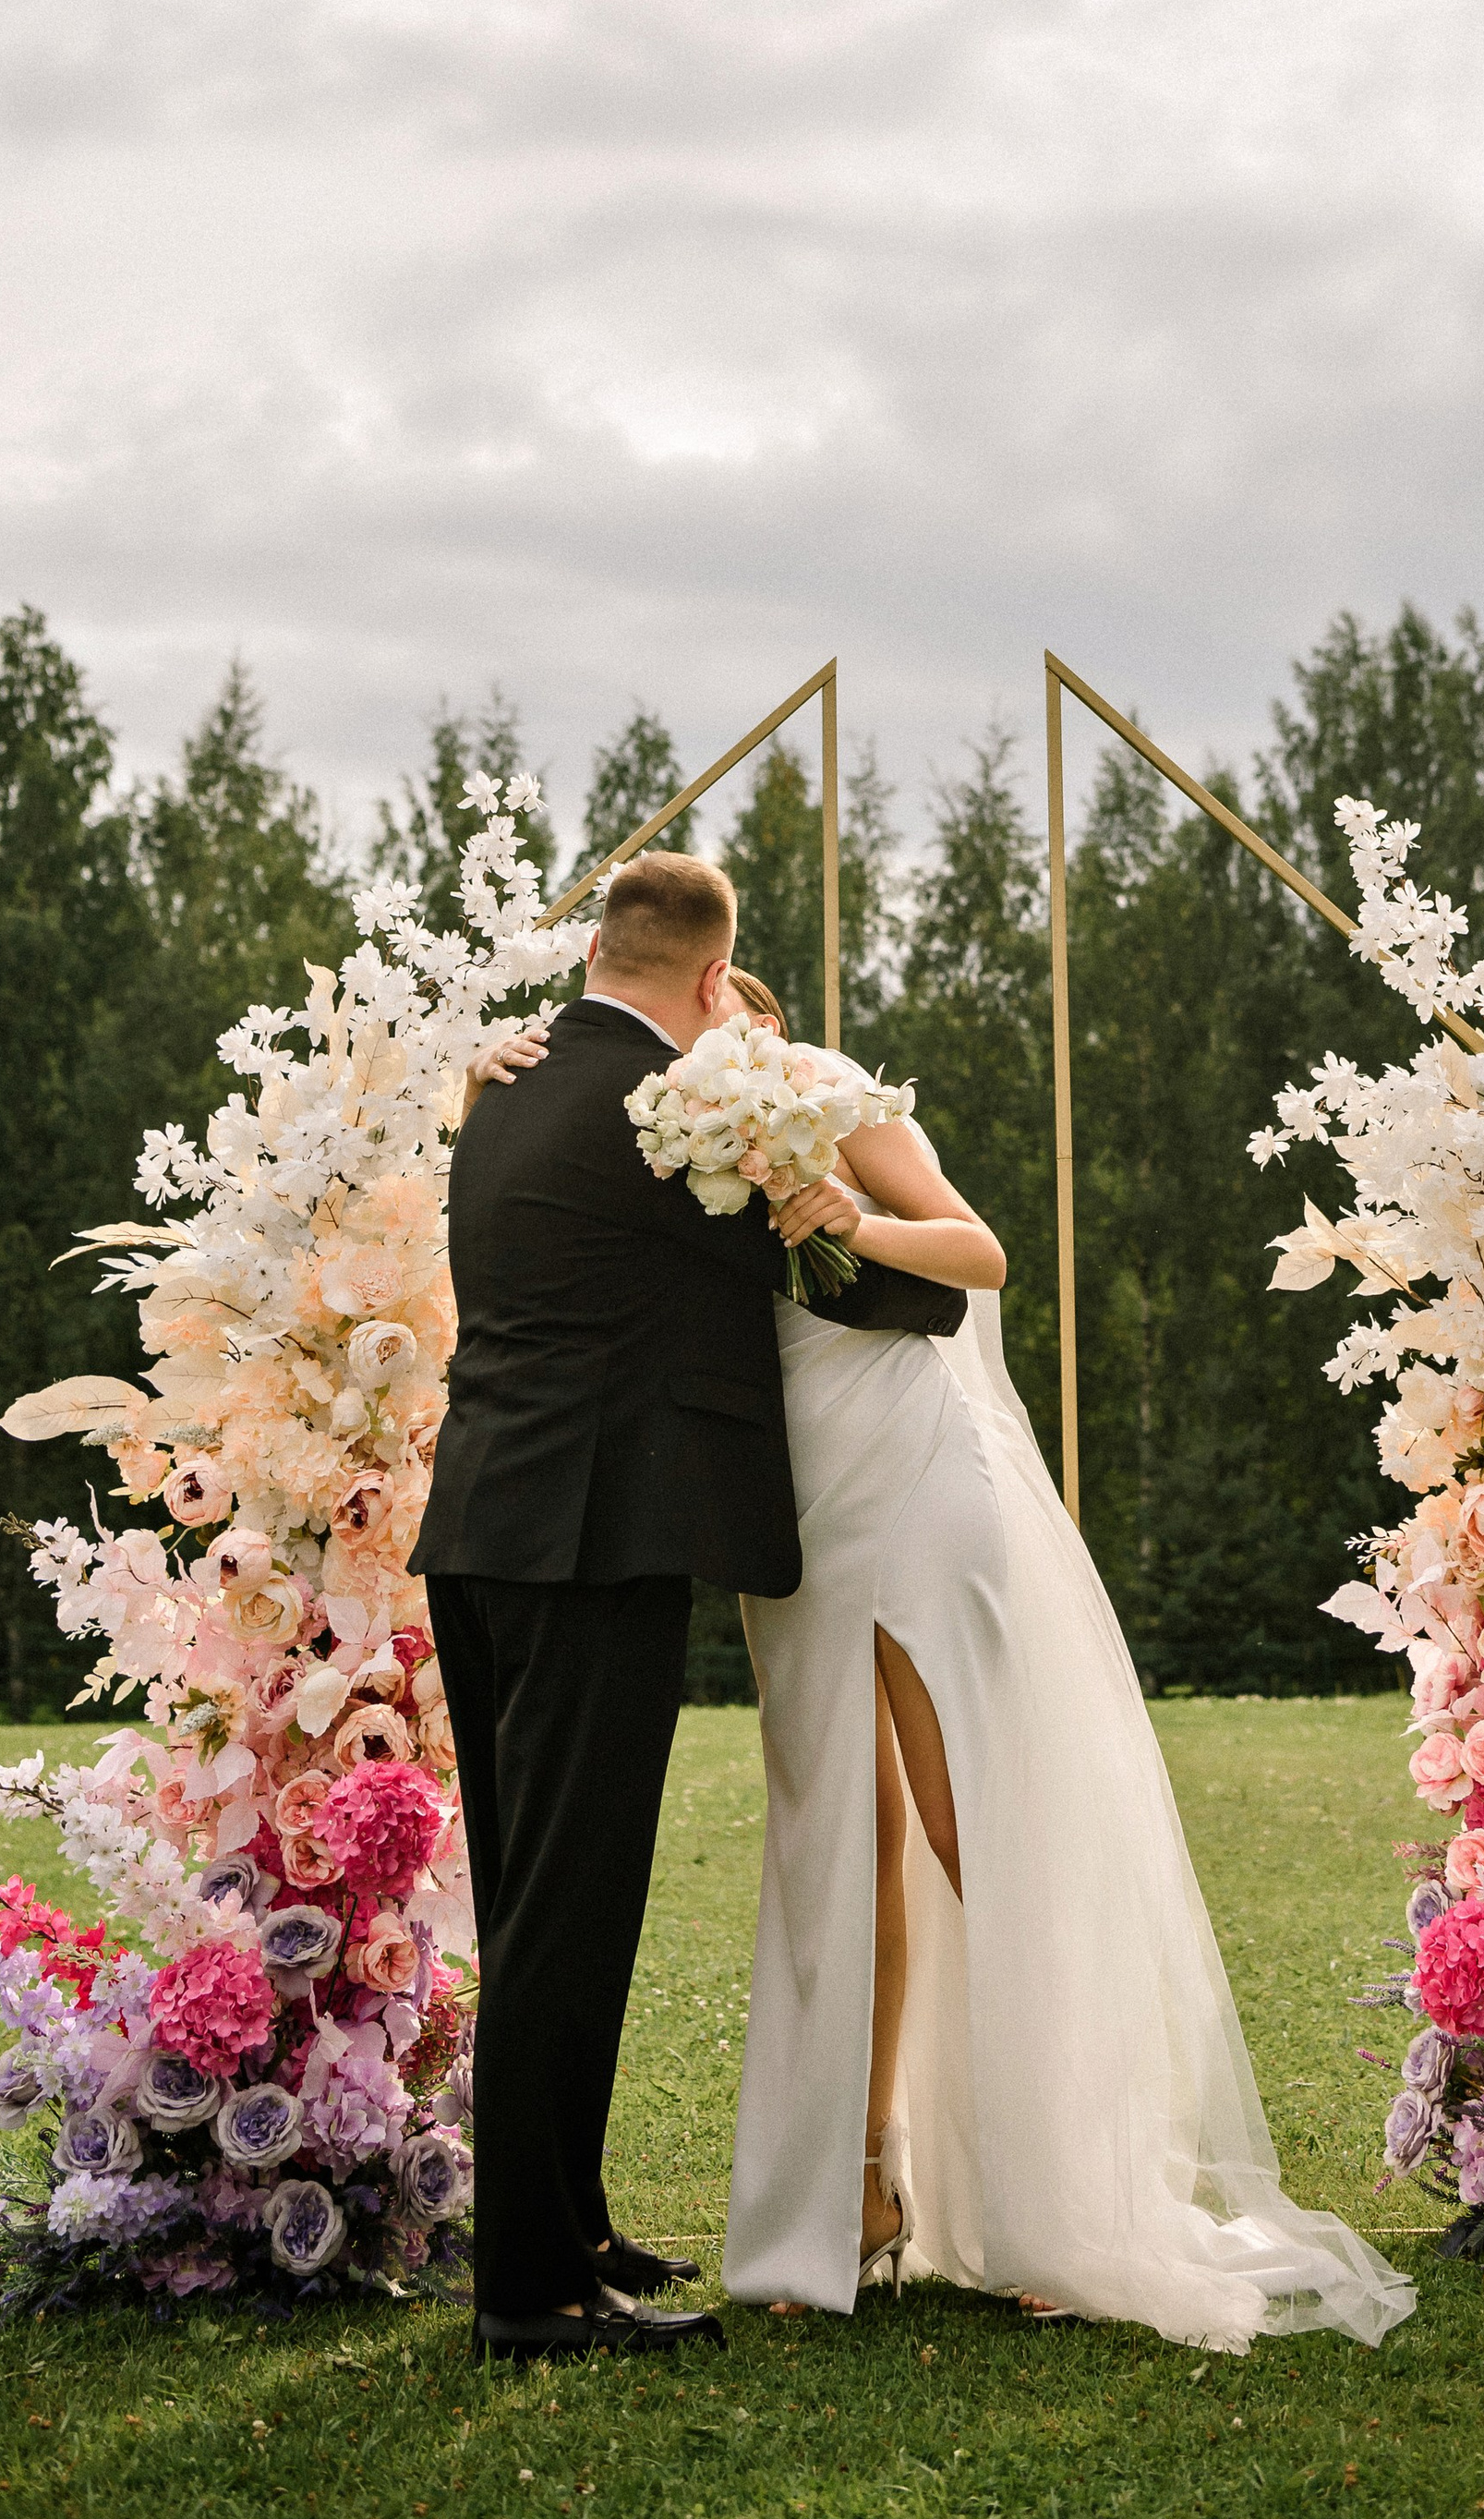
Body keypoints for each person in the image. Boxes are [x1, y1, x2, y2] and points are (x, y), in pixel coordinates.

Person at [477, 967, 1418, 2354]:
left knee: (963, 1811)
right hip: (788, 1507)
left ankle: (1059, 2190)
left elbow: (975, 1253)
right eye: (703, 1023)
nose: (719, 1037)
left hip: (911, 1475)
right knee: (840, 1839)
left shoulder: (834, 1100)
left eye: (741, 1016)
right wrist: (487, 1069)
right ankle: (853, 2187)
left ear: (765, 1023)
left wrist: (847, 1213)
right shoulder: (657, 1134)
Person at [412, 853, 966, 2367]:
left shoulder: (505, 1083)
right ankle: (531, 2291)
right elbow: (874, 1288)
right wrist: (826, 1206)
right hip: (596, 1542)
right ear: (716, 981)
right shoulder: (674, 1117)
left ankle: (572, 2221)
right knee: (565, 1914)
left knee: (537, 1889)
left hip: (479, 1531)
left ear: (599, 948)